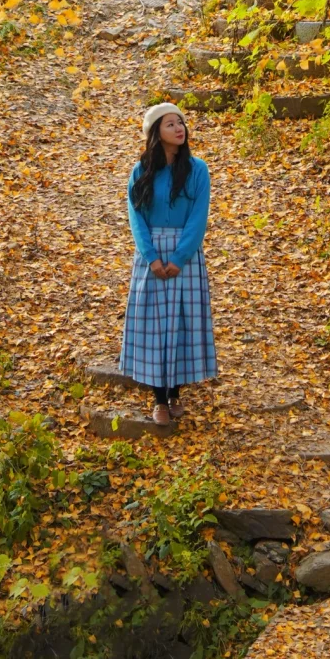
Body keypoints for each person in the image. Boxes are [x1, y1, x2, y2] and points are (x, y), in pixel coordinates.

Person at [118, 102, 217, 425]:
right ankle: (159, 399)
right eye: (170, 124)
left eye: (181, 123)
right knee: (155, 325)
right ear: (156, 133)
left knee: (183, 322)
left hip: (185, 256)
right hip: (151, 256)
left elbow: (198, 217)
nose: (179, 129)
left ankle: (176, 392)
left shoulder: (197, 169)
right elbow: (136, 216)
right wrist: (152, 257)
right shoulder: (141, 170)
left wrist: (178, 258)